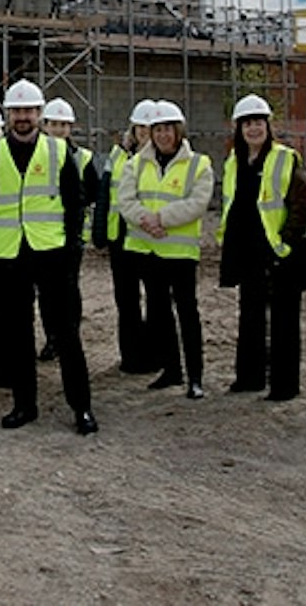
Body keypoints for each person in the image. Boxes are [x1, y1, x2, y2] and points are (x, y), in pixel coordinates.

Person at [0, 79, 96, 435]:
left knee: (66, 333)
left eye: (30, 111)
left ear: (39, 114)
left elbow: (75, 204)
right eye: (17, 111)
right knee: (17, 335)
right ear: (8, 115)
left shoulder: (58, 153)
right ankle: (25, 404)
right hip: (7, 256)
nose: (23, 117)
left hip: (51, 253)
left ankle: (81, 407)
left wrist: (71, 251)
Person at [217, 94, 306, 400]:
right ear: (239, 128)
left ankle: (284, 386)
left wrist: (287, 240)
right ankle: (250, 378)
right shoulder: (235, 161)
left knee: (284, 321)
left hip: (281, 252)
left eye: (258, 122)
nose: (253, 129)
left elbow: (304, 198)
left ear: (268, 125)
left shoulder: (284, 158)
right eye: (247, 123)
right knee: (250, 316)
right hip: (248, 251)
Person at [116, 100, 213, 398]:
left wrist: (161, 219)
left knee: (187, 313)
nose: (163, 135)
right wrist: (146, 221)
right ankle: (172, 370)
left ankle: (195, 376)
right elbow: (126, 200)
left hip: (180, 254)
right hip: (148, 251)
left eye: (168, 128)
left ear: (178, 130)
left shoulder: (199, 164)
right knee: (160, 314)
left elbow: (198, 203)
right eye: (157, 129)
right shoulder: (135, 164)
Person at [100, 101, 159, 375]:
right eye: (140, 127)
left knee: (156, 298)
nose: (144, 132)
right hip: (121, 238)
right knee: (127, 300)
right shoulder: (117, 155)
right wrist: (100, 230)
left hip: (149, 237)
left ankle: (154, 355)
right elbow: (104, 194)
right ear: (133, 129)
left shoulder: (161, 158)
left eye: (150, 128)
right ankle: (131, 358)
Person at [37, 98, 93, 363]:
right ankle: (52, 339)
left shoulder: (82, 157)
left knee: (69, 290)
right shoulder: (36, 155)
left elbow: (92, 192)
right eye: (54, 124)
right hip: (43, 236)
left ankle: (70, 336)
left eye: (63, 125)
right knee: (46, 293)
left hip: (71, 236)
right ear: (44, 125)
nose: (59, 129)